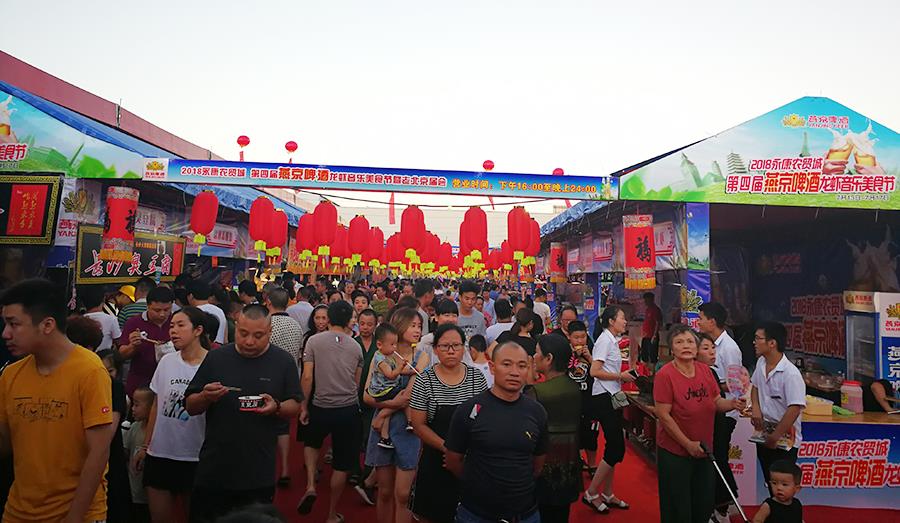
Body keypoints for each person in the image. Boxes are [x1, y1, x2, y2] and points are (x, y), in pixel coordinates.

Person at [0, 279, 114, 522]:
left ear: (47, 325)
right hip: (18, 511)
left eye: (14, 324)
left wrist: (74, 518)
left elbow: (99, 452)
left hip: (78, 513)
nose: (5, 334)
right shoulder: (11, 374)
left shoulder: (89, 371)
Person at [184, 304, 302, 522]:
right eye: (243, 333)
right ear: (236, 327)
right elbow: (191, 406)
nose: (249, 341)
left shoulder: (283, 361)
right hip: (214, 470)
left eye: (258, 336)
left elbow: (295, 405)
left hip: (258, 472)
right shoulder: (216, 358)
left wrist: (276, 407)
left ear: (269, 332)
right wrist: (205, 396)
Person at [446, 342, 548, 523]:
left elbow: (538, 464)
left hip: (525, 513)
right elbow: (453, 460)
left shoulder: (537, 412)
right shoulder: (469, 410)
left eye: (521, 366)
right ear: (492, 367)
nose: (514, 372)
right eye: (506, 364)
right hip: (475, 514)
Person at [654, 324, 745, 523]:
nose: (685, 346)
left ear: (696, 348)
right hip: (675, 452)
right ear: (672, 349)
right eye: (679, 342)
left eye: (690, 341)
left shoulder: (706, 371)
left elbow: (716, 401)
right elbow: (663, 415)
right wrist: (687, 444)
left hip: (705, 450)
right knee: (678, 508)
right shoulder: (665, 375)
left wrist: (733, 404)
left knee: (702, 504)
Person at [134, 306, 211, 522]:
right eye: (172, 326)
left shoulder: (212, 364)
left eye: (180, 325)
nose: (173, 331)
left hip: (195, 455)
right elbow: (157, 405)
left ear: (198, 330)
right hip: (160, 454)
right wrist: (146, 446)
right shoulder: (167, 361)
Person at [408, 324, 489, 523]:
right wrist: (448, 448)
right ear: (436, 349)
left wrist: (463, 452)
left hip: (470, 461)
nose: (451, 351)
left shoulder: (476, 378)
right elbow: (418, 425)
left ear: (464, 348)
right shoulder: (424, 381)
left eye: (456, 345)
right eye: (445, 346)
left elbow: (484, 418)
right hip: (435, 459)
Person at [297, 300, 363, 523]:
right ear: (349, 321)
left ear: (329, 318)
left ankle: (310, 484)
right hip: (347, 409)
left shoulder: (314, 341)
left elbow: (307, 377)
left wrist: (304, 405)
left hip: (320, 405)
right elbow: (356, 383)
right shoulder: (356, 347)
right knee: (342, 464)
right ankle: (332, 513)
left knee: (311, 443)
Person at [363, 308, 429, 523]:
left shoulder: (421, 356)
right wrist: (390, 407)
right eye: (413, 325)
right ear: (400, 326)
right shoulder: (381, 355)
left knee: (403, 494)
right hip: (382, 429)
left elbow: (409, 395)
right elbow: (366, 395)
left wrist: (383, 413)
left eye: (419, 326)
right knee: (384, 491)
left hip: (408, 429)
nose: (417, 330)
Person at [582, 305, 634, 514]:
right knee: (616, 448)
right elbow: (594, 371)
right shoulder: (604, 340)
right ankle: (591, 492)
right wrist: (621, 376)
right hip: (604, 397)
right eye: (622, 318)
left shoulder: (612, 340)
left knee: (614, 446)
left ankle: (608, 493)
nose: (625, 321)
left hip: (612, 395)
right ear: (611, 321)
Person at [531, 334, 581, 523]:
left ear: (548, 358)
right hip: (569, 462)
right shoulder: (575, 387)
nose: (533, 356)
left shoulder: (537, 392)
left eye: (537, 352)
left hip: (543, 465)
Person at [750, 321, 806, 493]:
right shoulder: (761, 362)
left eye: (758, 338)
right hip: (764, 433)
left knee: (783, 487)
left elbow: (794, 409)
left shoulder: (790, 374)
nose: (754, 342)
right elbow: (755, 387)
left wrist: (775, 437)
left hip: (784, 440)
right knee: (771, 482)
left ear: (772, 343)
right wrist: (756, 409)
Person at [698, 332, 739, 521]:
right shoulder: (695, 373)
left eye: (713, 348)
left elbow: (717, 401)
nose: (712, 352)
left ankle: (722, 507)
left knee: (719, 460)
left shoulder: (712, 372)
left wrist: (733, 404)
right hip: (706, 425)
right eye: (706, 348)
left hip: (719, 424)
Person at [118, 286, 175, 397]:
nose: (162, 314)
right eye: (157, 310)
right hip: (140, 383)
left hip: (170, 382)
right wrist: (133, 346)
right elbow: (121, 354)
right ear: (148, 306)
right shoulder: (134, 323)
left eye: (166, 310)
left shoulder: (176, 321)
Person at [367, 324, 416, 449]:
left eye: (396, 344)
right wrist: (401, 366)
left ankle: (385, 438)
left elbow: (397, 371)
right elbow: (391, 375)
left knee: (390, 409)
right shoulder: (380, 359)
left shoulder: (389, 355)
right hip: (383, 390)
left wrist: (410, 372)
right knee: (404, 395)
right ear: (379, 344)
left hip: (386, 388)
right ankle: (410, 420)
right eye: (392, 344)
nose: (395, 347)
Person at [564, 320, 599, 473]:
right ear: (569, 337)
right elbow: (562, 371)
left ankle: (592, 465)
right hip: (571, 402)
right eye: (576, 337)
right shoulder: (565, 353)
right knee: (574, 434)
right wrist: (573, 356)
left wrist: (589, 358)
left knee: (591, 435)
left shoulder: (594, 351)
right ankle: (577, 461)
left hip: (590, 401)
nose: (580, 341)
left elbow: (600, 372)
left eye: (583, 337)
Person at [123, 386, 154, 523]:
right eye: (133, 405)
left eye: (137, 405)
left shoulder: (156, 433)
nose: (133, 409)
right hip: (132, 492)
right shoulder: (134, 427)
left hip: (148, 496)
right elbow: (126, 452)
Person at [266, 288, 303, 365]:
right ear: (287, 304)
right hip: (292, 369)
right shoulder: (296, 326)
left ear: (269, 302)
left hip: (270, 369)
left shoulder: (266, 325)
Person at [81, 286, 123, 351]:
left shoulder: (79, 321)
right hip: (104, 356)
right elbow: (119, 342)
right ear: (103, 299)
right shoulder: (111, 319)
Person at [188, 280, 228, 345]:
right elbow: (225, 340)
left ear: (191, 296)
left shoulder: (193, 313)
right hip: (219, 349)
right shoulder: (220, 311)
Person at [639, 292, 661, 364]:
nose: (645, 302)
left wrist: (654, 335)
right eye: (645, 300)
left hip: (652, 336)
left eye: (647, 300)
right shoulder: (647, 309)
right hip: (646, 336)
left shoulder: (655, 310)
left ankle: (653, 369)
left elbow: (657, 323)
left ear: (652, 299)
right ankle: (645, 369)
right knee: (644, 354)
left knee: (652, 355)